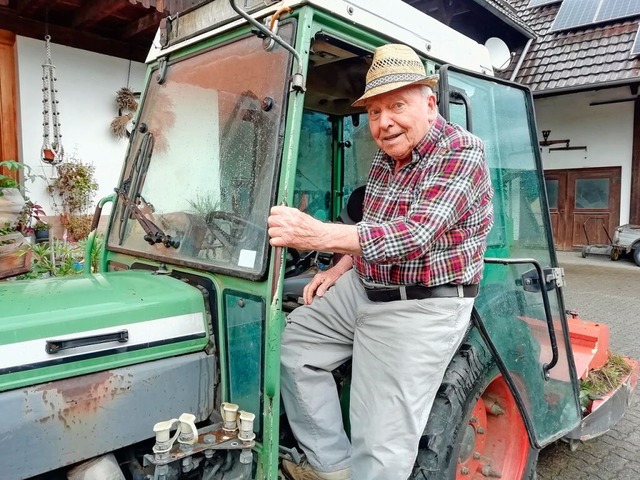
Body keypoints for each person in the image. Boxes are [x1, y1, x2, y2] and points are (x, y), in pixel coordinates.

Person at [268, 43, 494, 480]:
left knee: (380, 440)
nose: (384, 121)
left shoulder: (461, 152)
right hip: (365, 285)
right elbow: (374, 224)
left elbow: (414, 235)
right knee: (294, 346)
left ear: (430, 104)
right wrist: (336, 267)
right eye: (374, 112)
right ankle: (332, 467)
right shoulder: (387, 160)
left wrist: (316, 233)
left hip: (422, 303)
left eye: (396, 105)